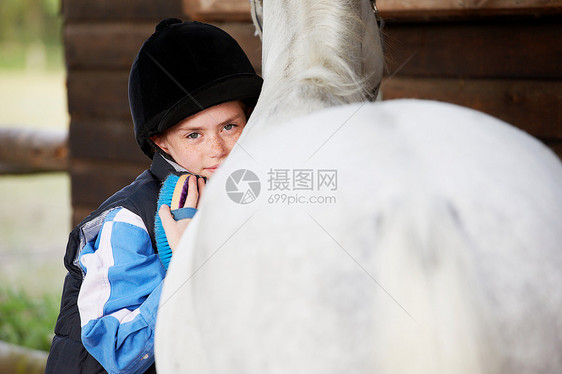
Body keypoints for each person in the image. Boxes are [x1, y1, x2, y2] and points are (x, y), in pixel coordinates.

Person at [45, 18, 262, 373]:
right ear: (161, 141)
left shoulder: (236, 196)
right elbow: (121, 353)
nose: (218, 149)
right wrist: (186, 265)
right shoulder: (128, 220)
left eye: (229, 126)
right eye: (194, 135)